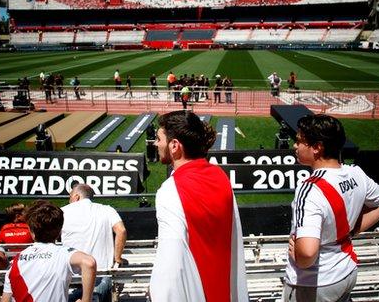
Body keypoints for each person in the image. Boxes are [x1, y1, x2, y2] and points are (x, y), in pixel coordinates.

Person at [284, 114, 379, 302]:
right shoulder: (356, 173)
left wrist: (299, 256)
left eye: (299, 141)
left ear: (317, 147)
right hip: (347, 272)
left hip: (313, 284)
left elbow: (308, 254)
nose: (295, 146)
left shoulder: (309, 189)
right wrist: (348, 232)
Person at [150, 110, 248, 301]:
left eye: (158, 138)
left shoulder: (170, 190)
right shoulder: (220, 176)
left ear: (175, 146)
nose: (155, 143)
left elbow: (170, 267)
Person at [1, 200, 97, 302]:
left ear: (31, 231)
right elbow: (89, 263)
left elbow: (5, 299)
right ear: (60, 231)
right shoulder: (64, 254)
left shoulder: (15, 262)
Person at [62, 183, 128, 302]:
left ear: (76, 196)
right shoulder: (107, 209)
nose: (69, 199)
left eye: (70, 196)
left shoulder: (62, 212)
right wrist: (117, 258)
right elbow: (121, 231)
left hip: (70, 277)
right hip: (100, 275)